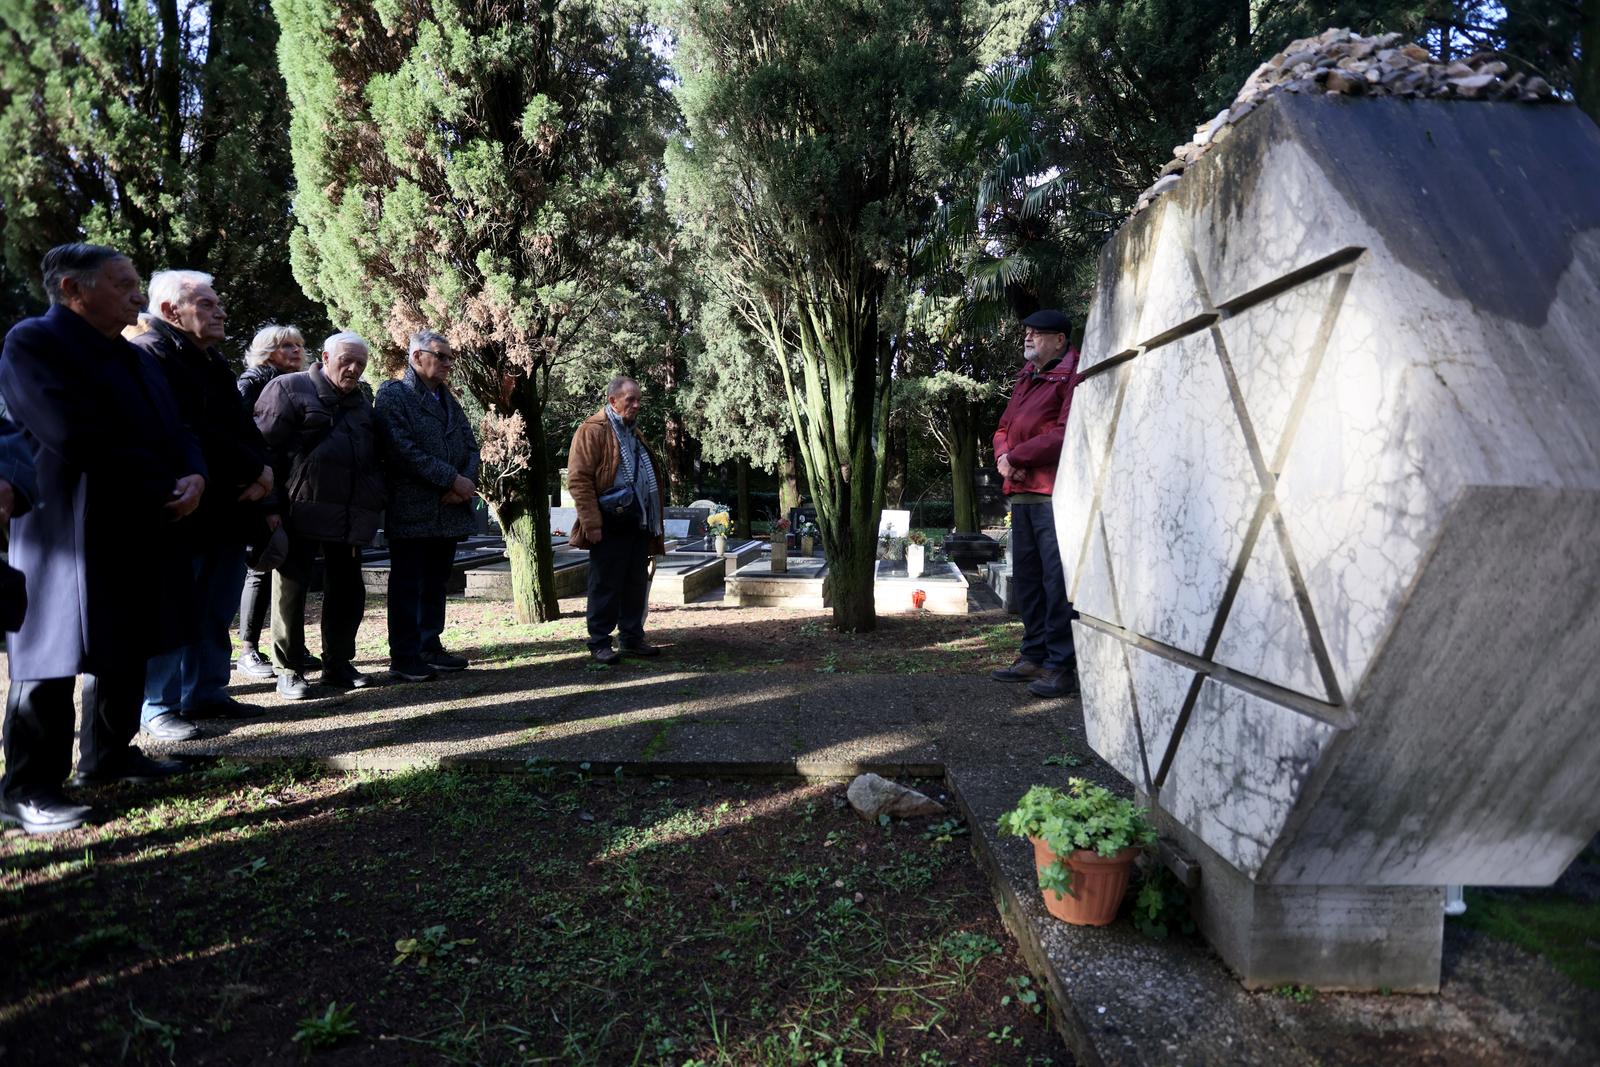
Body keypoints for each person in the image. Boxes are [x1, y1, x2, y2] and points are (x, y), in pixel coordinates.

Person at [0, 243, 205, 834]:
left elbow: (179, 427)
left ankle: (108, 757)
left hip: (138, 516)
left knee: (126, 639)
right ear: (73, 289)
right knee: (51, 651)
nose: (139, 296)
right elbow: (69, 431)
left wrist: (195, 475)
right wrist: (160, 480)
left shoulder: (137, 358)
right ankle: (25, 789)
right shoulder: (33, 343)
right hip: (64, 522)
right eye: (123, 284)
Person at [131, 270, 276, 741]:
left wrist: (266, 472)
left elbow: (242, 425)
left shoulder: (211, 359)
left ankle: (207, 691)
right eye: (209, 304)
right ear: (172, 311)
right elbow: (186, 429)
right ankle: (159, 704)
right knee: (173, 608)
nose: (222, 312)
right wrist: (252, 469)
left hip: (227, 507)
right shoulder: (152, 354)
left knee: (215, 608)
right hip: (184, 508)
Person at [254, 332, 386, 697]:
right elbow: (263, 452)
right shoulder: (288, 389)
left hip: (349, 514)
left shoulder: (362, 402)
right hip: (298, 510)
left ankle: (338, 664)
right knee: (290, 591)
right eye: (347, 359)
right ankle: (289, 668)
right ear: (326, 356)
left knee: (348, 591)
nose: (354, 368)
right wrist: (269, 508)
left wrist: (375, 497)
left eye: (361, 362)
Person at [375, 331, 481, 681]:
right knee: (408, 584)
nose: (449, 363)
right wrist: (452, 479)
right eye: (443, 356)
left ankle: (429, 646)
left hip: (449, 508)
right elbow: (401, 450)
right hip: (414, 507)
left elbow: (471, 445)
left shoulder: (448, 399)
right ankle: (404, 656)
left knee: (435, 582)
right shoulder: (394, 395)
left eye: (451, 357)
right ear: (418, 357)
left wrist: (464, 484)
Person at [991, 309, 1079, 699]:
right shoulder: (1027, 376)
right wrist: (1003, 459)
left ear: (1059, 339)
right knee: (1027, 579)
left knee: (1055, 581)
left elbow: (1065, 432)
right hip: (1022, 493)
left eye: (1037, 334)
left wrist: (1018, 459)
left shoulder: (1072, 374)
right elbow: (1003, 427)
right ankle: (1033, 654)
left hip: (1051, 492)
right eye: (1027, 332)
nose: (1028, 338)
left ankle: (1061, 665)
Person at [235, 325, 315, 679]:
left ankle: (289, 644)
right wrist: (267, 503)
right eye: (286, 345)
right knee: (261, 569)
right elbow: (255, 445)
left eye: (299, 344)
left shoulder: (304, 383)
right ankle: (248, 650)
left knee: (290, 569)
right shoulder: (253, 383)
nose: (296, 351)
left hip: (294, 491)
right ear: (267, 351)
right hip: (264, 492)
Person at [566, 376, 665, 664]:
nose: (636, 405)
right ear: (612, 401)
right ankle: (599, 642)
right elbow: (579, 480)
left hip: (637, 520)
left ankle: (632, 638)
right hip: (608, 522)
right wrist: (592, 523)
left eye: (638, 400)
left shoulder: (633, 432)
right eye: (630, 400)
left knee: (635, 583)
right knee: (605, 584)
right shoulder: (592, 430)